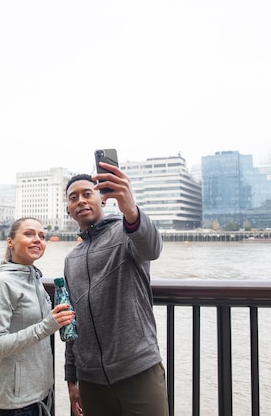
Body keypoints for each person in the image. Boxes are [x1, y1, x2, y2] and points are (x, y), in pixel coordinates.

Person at [63, 161, 169, 416]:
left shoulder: (125, 235)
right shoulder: (70, 259)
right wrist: (71, 378)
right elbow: (70, 322)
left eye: (87, 194)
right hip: (90, 381)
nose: (81, 201)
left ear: (103, 199)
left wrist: (130, 210)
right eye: (73, 198)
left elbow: (152, 248)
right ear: (68, 210)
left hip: (138, 369)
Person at [0, 217, 75, 416]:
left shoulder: (34, 278)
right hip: (16, 403)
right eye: (29, 234)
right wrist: (46, 326)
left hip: (41, 394)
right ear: (10, 242)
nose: (37, 240)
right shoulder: (2, 283)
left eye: (41, 236)